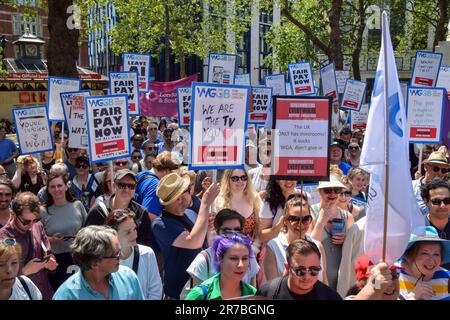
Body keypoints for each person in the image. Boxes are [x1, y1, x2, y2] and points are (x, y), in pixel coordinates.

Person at [152, 173, 220, 299]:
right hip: (179, 293)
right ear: (179, 198)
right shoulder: (160, 224)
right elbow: (193, 242)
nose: (191, 193)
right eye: (188, 190)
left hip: (200, 287)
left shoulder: (188, 213)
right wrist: (205, 203)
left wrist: (208, 227)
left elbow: (202, 242)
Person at [52, 225, 144, 300]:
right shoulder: (66, 296)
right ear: (94, 262)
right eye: (116, 254)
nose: (122, 256)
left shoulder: (129, 278)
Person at [185, 209, 260, 291]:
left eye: (237, 230)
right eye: (226, 231)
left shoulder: (249, 256)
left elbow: (253, 291)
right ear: (217, 232)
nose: (232, 234)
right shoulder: (204, 260)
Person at [0, 192, 57, 299]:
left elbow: (48, 253)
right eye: (26, 221)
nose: (31, 225)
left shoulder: (38, 226)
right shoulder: (3, 237)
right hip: (21, 293)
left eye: (35, 220)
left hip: (45, 291)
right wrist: (24, 271)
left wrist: (51, 264)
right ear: (13, 214)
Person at [264, 196, 328, 284]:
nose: (300, 224)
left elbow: (324, 282)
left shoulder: (318, 246)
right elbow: (273, 287)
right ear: (285, 220)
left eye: (305, 219)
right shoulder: (273, 247)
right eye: (294, 219)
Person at [86, 169, 155, 249]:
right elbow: (88, 243)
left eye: (131, 186)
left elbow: (145, 245)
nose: (126, 190)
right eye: (122, 185)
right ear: (114, 185)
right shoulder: (98, 211)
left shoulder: (141, 213)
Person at [41, 173, 87, 290]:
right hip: (56, 260)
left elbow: (88, 228)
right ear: (48, 190)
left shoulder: (78, 205)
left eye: (60, 185)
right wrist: (51, 239)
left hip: (79, 255)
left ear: (66, 187)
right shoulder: (43, 210)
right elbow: (38, 237)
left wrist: (81, 233)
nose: (57, 189)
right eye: (52, 187)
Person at [105, 209, 162, 300]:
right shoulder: (103, 259)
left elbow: (155, 291)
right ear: (113, 235)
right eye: (128, 232)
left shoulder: (147, 253)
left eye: (135, 229)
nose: (134, 235)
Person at [257, 239, 342, 300]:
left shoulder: (330, 297)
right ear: (287, 267)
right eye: (300, 270)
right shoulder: (267, 293)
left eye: (314, 270)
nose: (307, 277)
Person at [310, 174, 355, 290]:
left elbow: (354, 250)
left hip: (341, 278)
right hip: (316, 276)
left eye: (336, 190)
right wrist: (321, 221)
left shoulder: (347, 216)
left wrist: (347, 240)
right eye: (328, 190)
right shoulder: (309, 213)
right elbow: (308, 246)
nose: (332, 194)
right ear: (320, 191)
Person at [185, 232, 256, 300]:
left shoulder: (253, 294)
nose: (241, 265)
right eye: (234, 258)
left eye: (245, 258)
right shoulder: (199, 294)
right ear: (219, 259)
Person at [213, 169, 262, 252]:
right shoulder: (218, 201)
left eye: (243, 177)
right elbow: (214, 230)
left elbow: (260, 227)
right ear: (227, 180)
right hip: (226, 252)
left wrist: (255, 248)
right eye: (235, 178)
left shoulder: (255, 198)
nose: (240, 181)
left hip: (251, 252)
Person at [397, 226, 450, 300]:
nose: (431, 261)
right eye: (424, 253)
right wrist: (413, 297)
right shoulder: (393, 275)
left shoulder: (447, 277)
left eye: (436, 254)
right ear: (410, 254)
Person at [134, 151, 180, 221]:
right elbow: (149, 216)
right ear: (167, 171)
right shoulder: (156, 186)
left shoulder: (141, 174)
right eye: (174, 174)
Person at [412, 151, 450, 215]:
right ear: (426, 167)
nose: (440, 173)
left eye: (443, 170)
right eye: (436, 168)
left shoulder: (447, 191)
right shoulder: (411, 187)